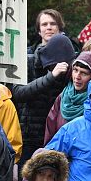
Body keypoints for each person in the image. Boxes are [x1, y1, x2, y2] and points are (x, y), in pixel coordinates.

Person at [13, 33, 74, 167]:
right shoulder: (28, 62)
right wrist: (51, 77)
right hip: (28, 136)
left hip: (52, 136)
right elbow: (18, 93)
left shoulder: (67, 72)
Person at [43, 51, 91, 144]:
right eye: (75, 70)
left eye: (84, 73)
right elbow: (50, 131)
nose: (77, 77)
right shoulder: (63, 97)